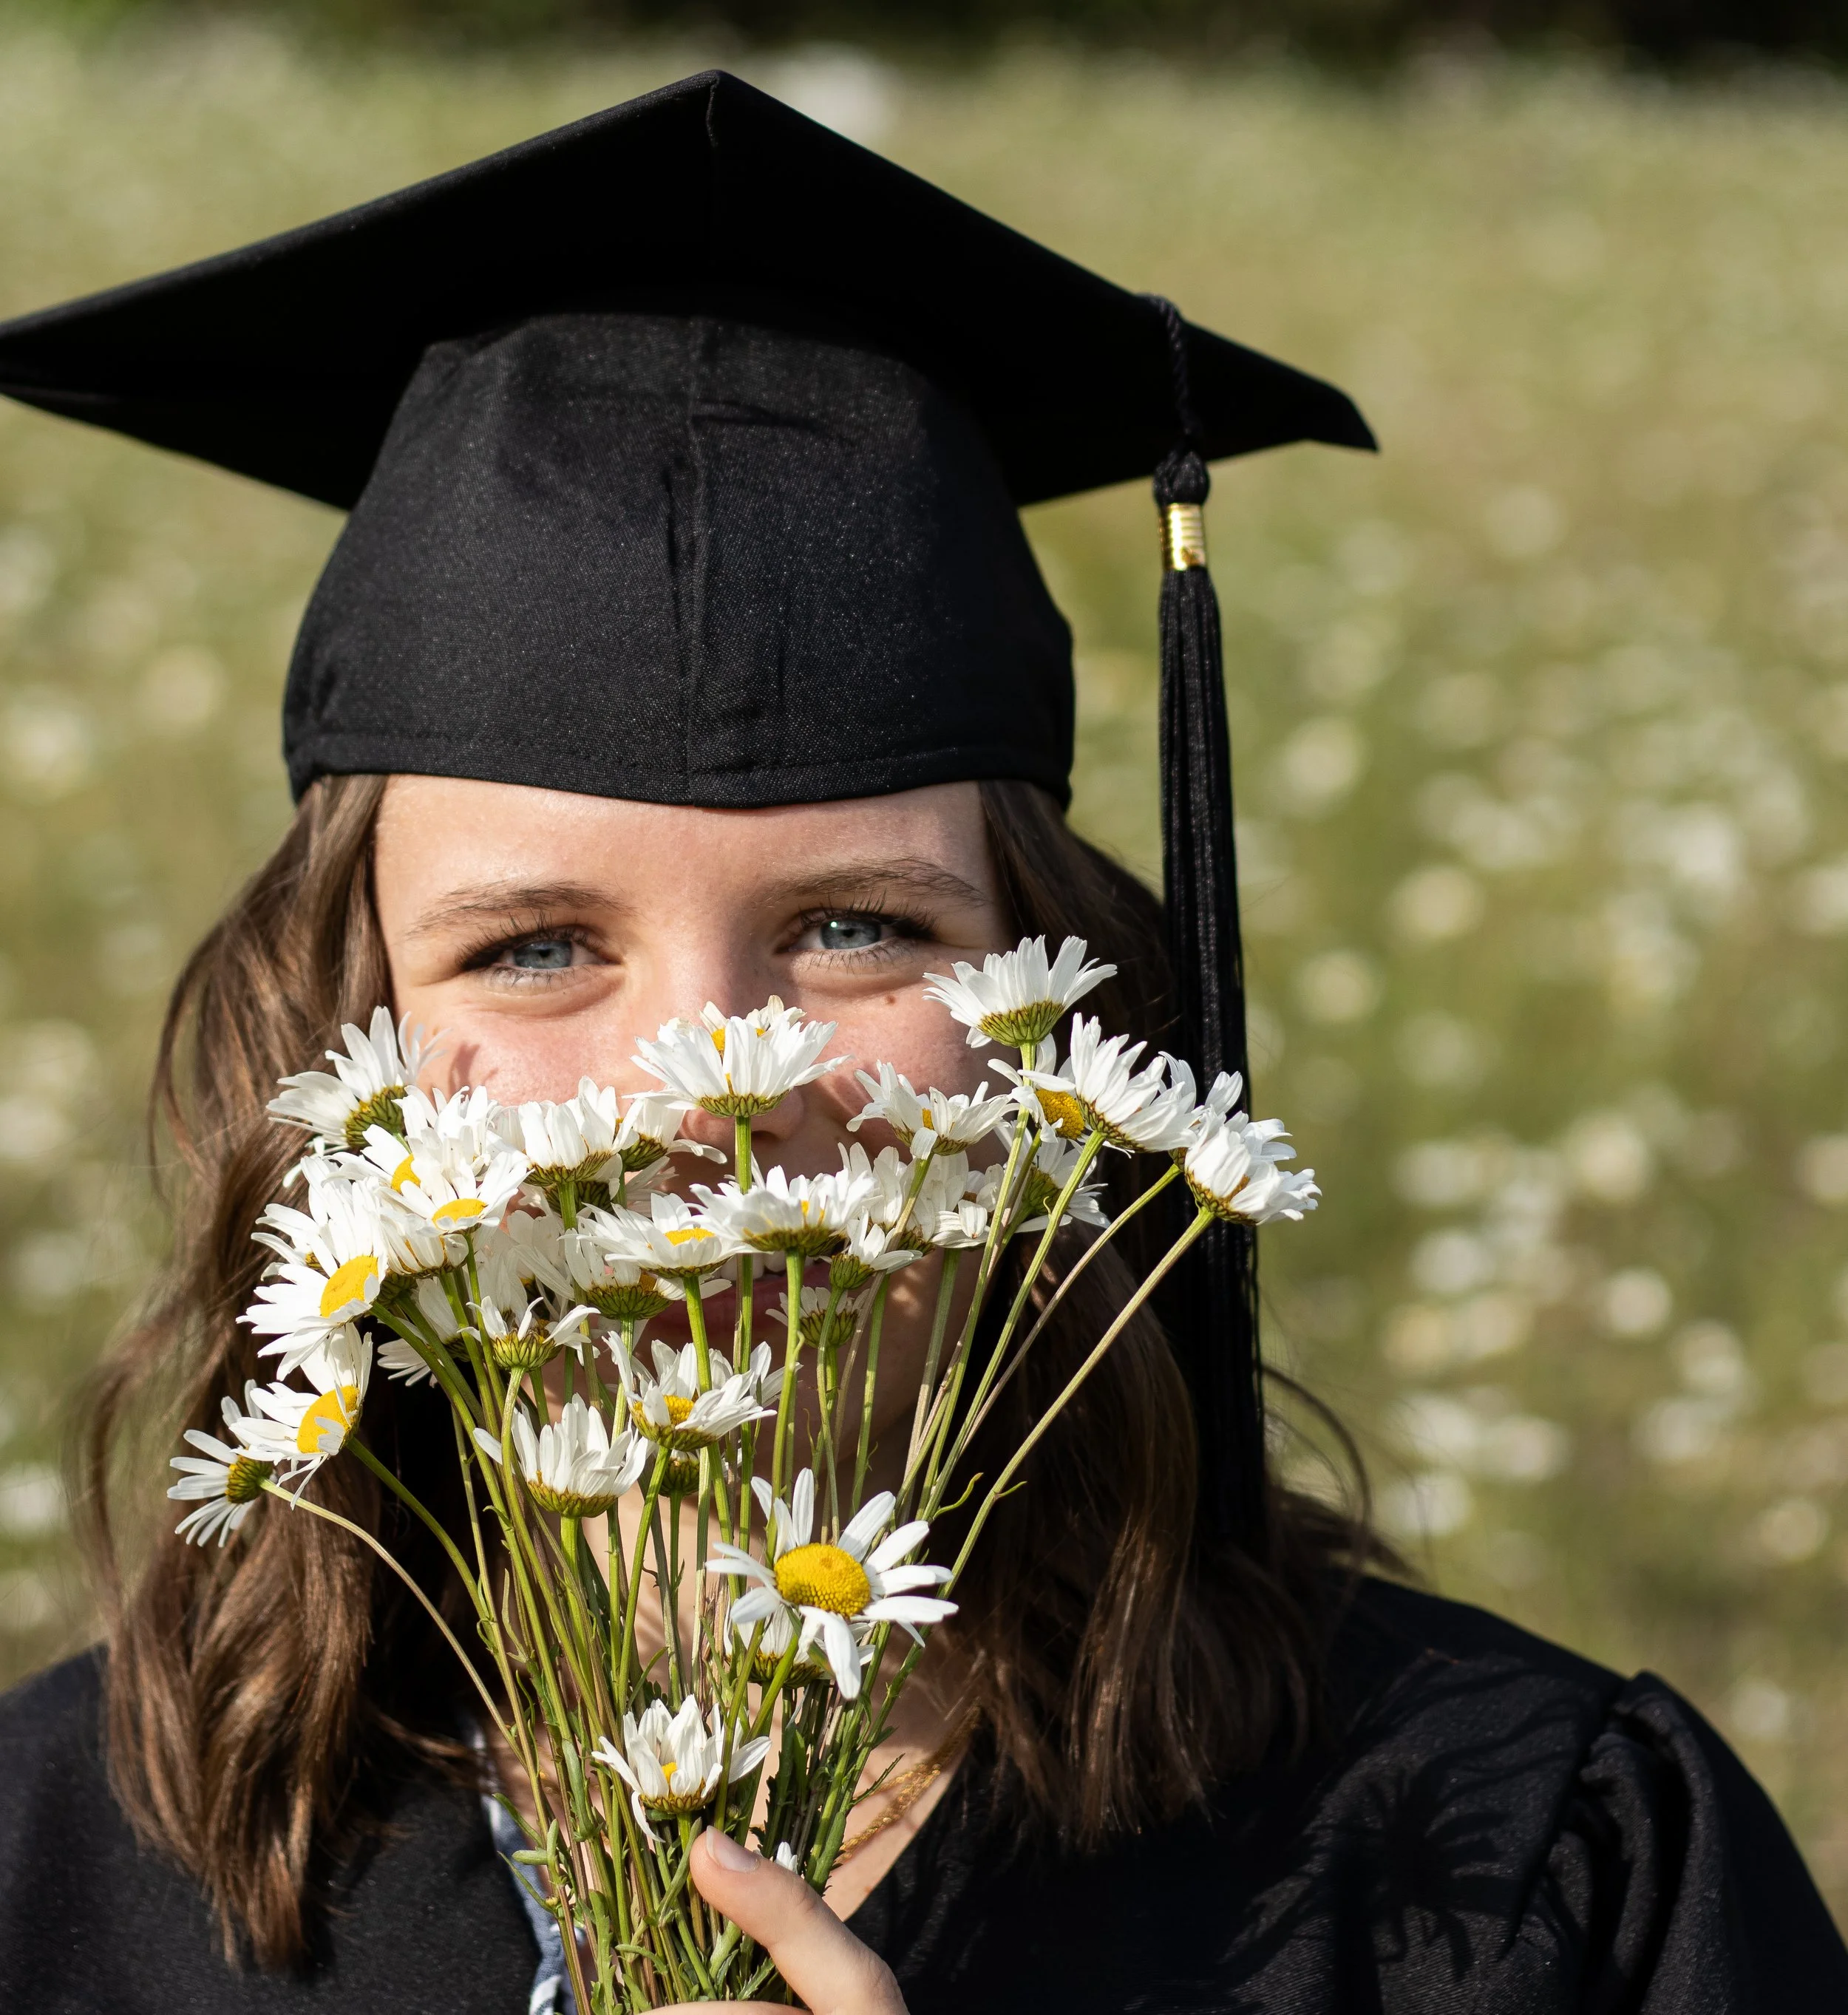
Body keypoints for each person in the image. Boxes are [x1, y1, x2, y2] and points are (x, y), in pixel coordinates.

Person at [0, 69, 1841, 2015]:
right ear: (344, 1047)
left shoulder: (1513, 1867)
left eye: (859, 927)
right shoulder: (58, 1878)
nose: (699, 1097)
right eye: (535, 947)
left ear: (1061, 1018)